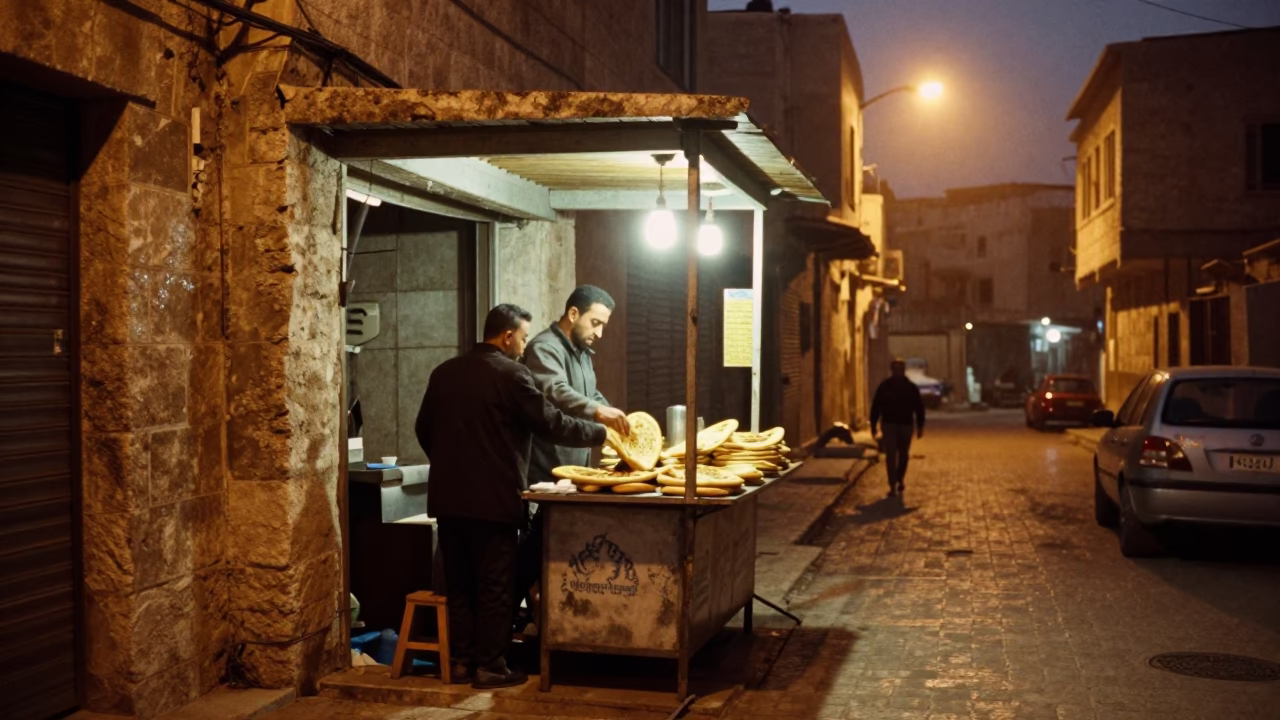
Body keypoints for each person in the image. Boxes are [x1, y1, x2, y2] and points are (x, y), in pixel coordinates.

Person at [414, 303, 605, 689]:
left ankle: (462, 664)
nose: (524, 345)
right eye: (522, 337)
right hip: (494, 503)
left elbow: (423, 428)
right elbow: (550, 422)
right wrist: (600, 433)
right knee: (495, 586)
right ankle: (491, 667)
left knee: (461, 585)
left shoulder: (444, 373)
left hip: (449, 503)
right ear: (506, 336)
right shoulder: (513, 375)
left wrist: (452, 468)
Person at [515, 285, 628, 630]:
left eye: (604, 325)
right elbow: (556, 391)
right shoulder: (544, 348)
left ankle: (548, 622)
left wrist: (613, 412)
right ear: (573, 314)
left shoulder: (582, 353)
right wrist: (599, 412)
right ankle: (508, 621)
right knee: (535, 551)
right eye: (595, 322)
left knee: (557, 552)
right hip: (547, 470)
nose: (600, 332)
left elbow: (588, 393)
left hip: (575, 470)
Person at [869, 359, 925, 498]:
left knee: (904, 454)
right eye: (895, 369)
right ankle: (892, 483)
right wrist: (873, 425)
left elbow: (919, 408)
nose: (898, 372)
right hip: (889, 425)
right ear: (892, 370)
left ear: (903, 370)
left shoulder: (910, 387)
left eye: (900, 369)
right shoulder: (885, 387)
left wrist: (920, 426)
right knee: (891, 455)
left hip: (905, 425)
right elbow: (876, 406)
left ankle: (900, 478)